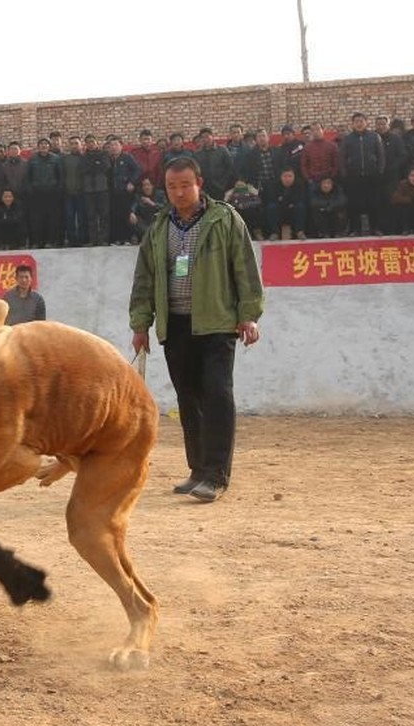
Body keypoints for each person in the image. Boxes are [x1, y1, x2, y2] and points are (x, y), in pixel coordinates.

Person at [128, 156, 264, 503]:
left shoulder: (225, 219)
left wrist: (249, 315)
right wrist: (141, 323)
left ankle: (216, 475)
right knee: (189, 400)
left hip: (217, 323)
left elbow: (245, 268)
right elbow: (144, 278)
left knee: (217, 394)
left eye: (185, 185)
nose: (179, 192)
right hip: (175, 326)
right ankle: (198, 470)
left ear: (199, 184)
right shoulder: (159, 227)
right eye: (172, 187)